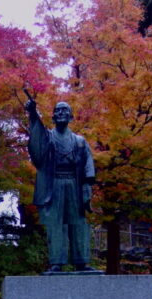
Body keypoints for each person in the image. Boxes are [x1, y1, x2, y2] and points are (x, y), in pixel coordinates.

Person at [26, 98, 96, 273]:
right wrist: (33, 114)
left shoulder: (80, 141)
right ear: (53, 117)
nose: (61, 113)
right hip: (54, 183)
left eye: (65, 111)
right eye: (58, 111)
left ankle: (82, 262)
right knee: (55, 223)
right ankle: (57, 262)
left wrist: (87, 185)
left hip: (75, 183)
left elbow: (88, 163)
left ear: (71, 117)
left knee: (78, 221)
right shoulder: (48, 137)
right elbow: (38, 139)